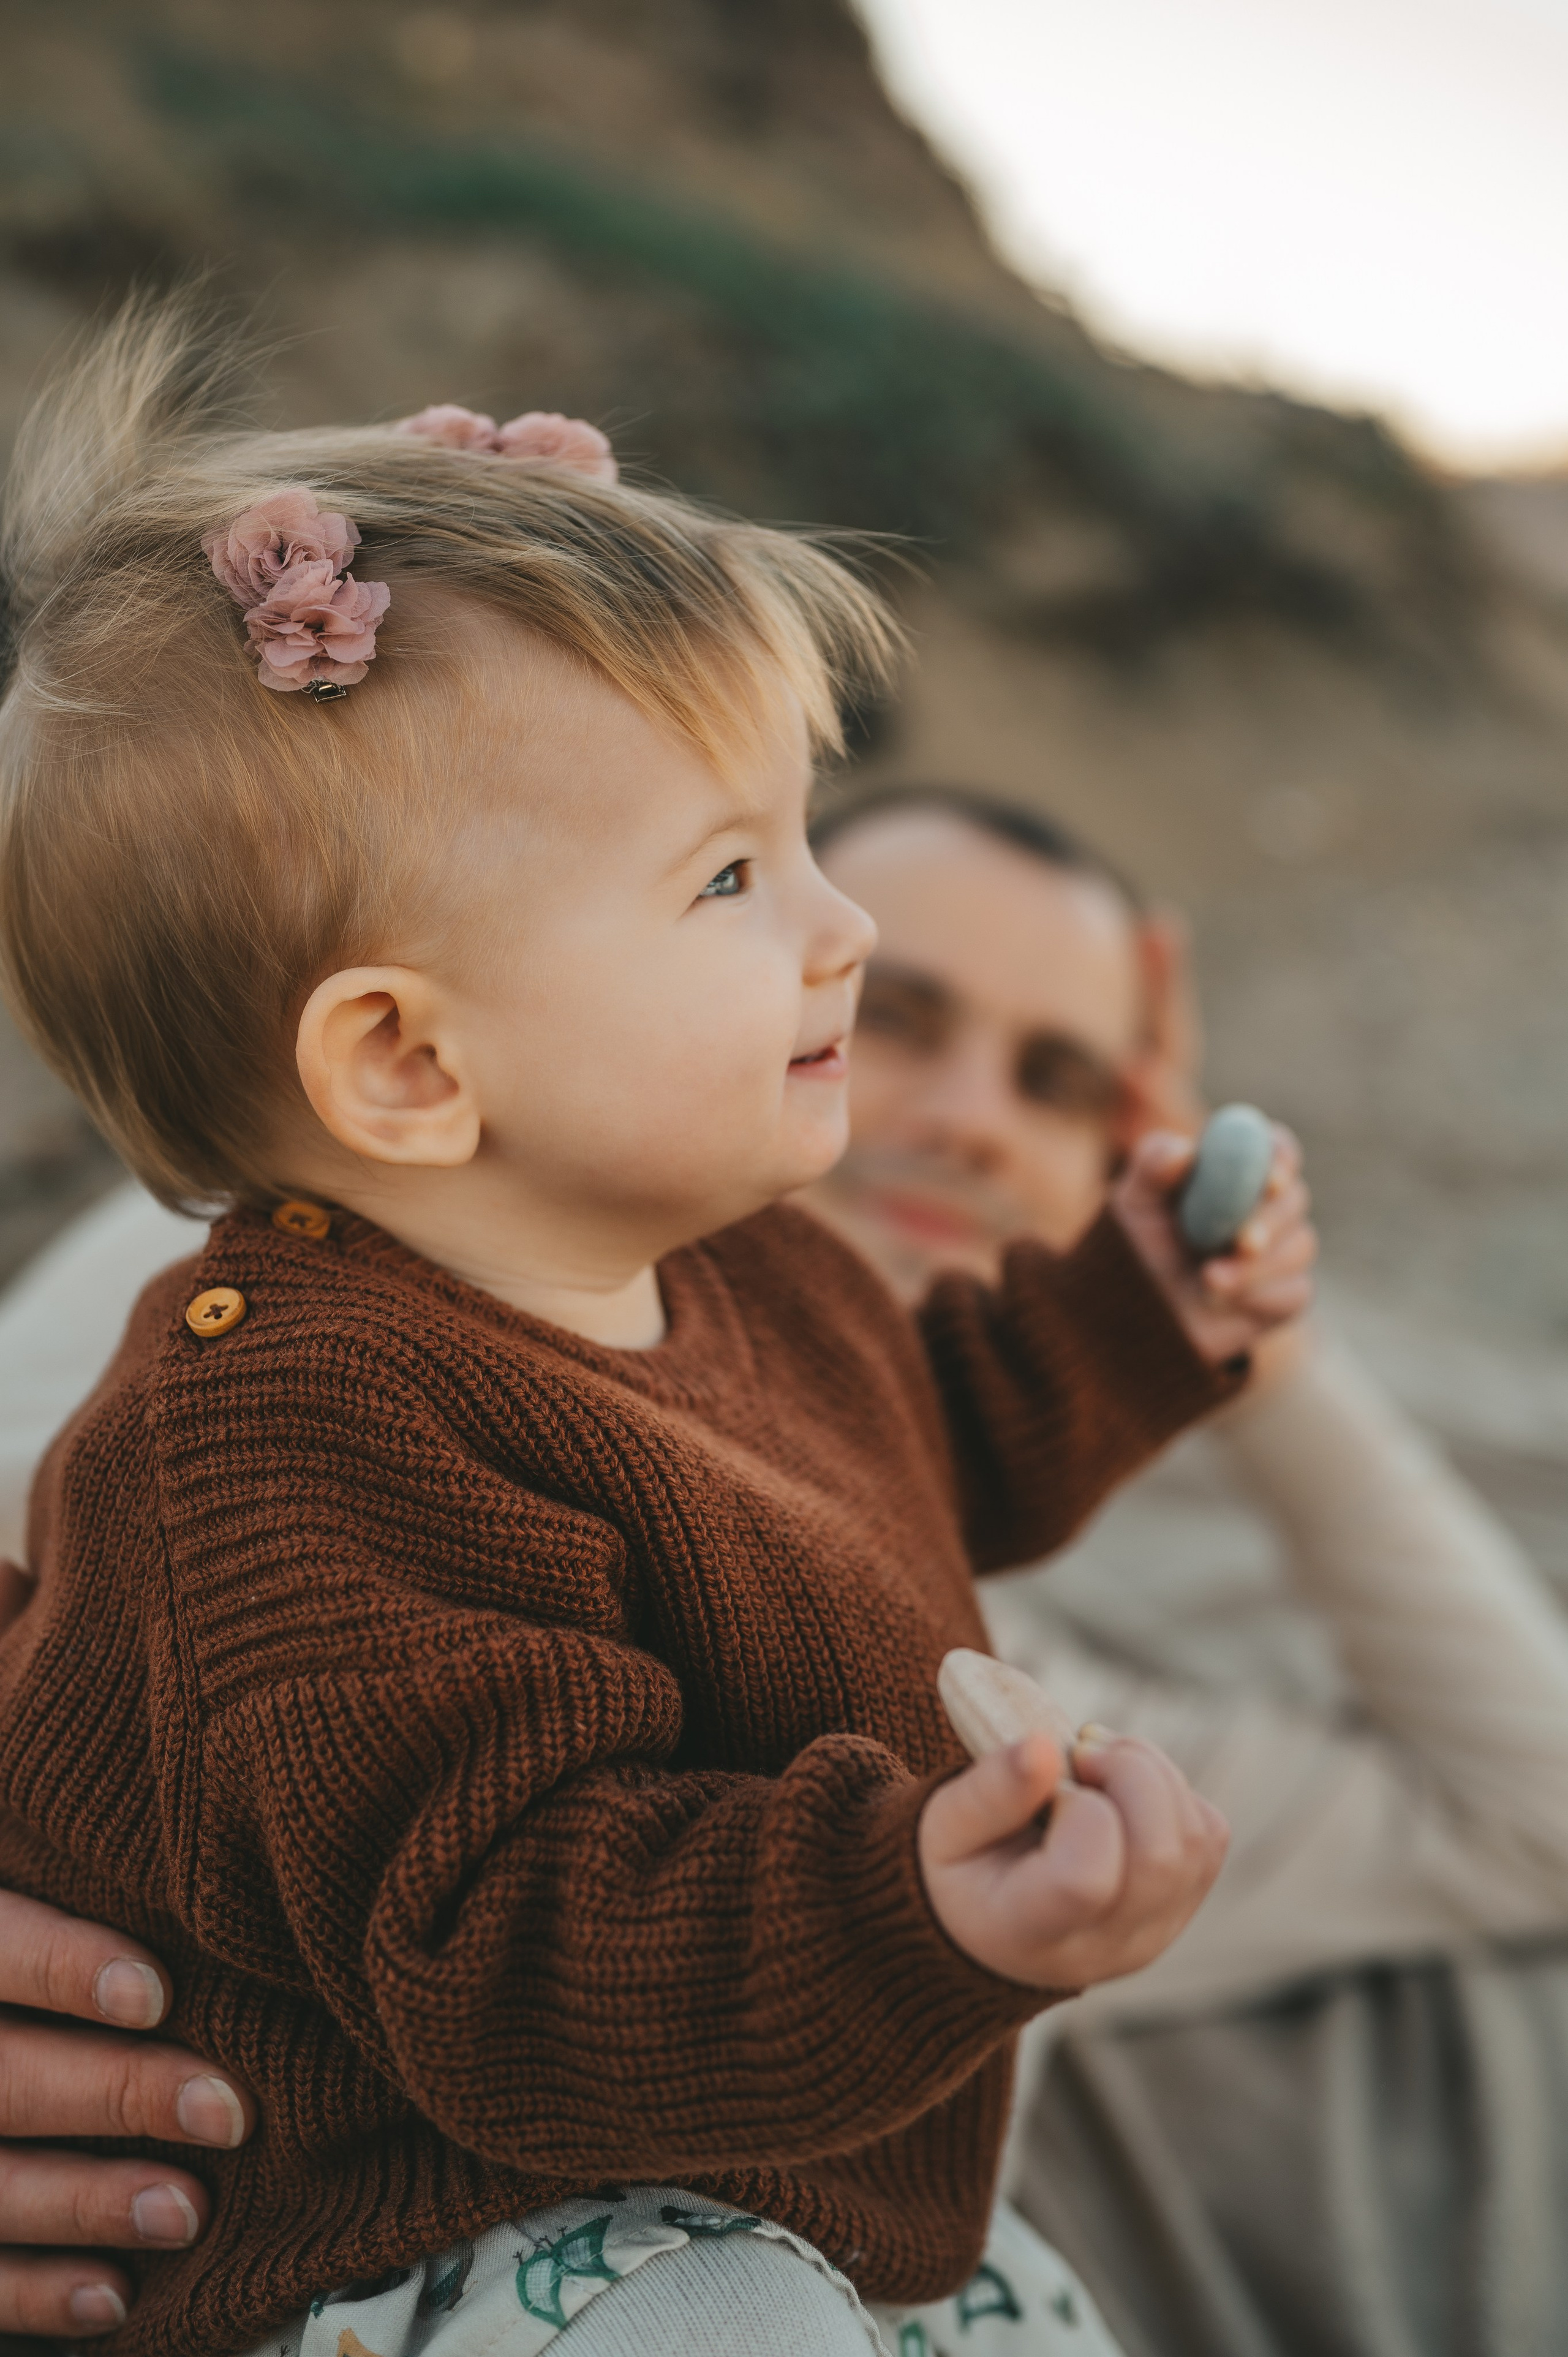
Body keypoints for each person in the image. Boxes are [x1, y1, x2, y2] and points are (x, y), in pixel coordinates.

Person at [0, 303, 1313, 2357]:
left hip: (725, 2166)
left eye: (801, 829)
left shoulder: (739, 1257)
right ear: (411, 1064)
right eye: (727, 875)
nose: (839, 920)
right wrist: (921, 1902)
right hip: (408, 2239)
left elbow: (891, 1439)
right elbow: (512, 1928)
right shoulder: (283, 1421)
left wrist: (1137, 1320)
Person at [805, 785, 1568, 2357]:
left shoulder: (1015, 1716)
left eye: (1056, 1079)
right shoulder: (328, 1282)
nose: (971, 1118)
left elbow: (1528, 1804)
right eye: (897, 1013)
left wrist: (1251, 1336)